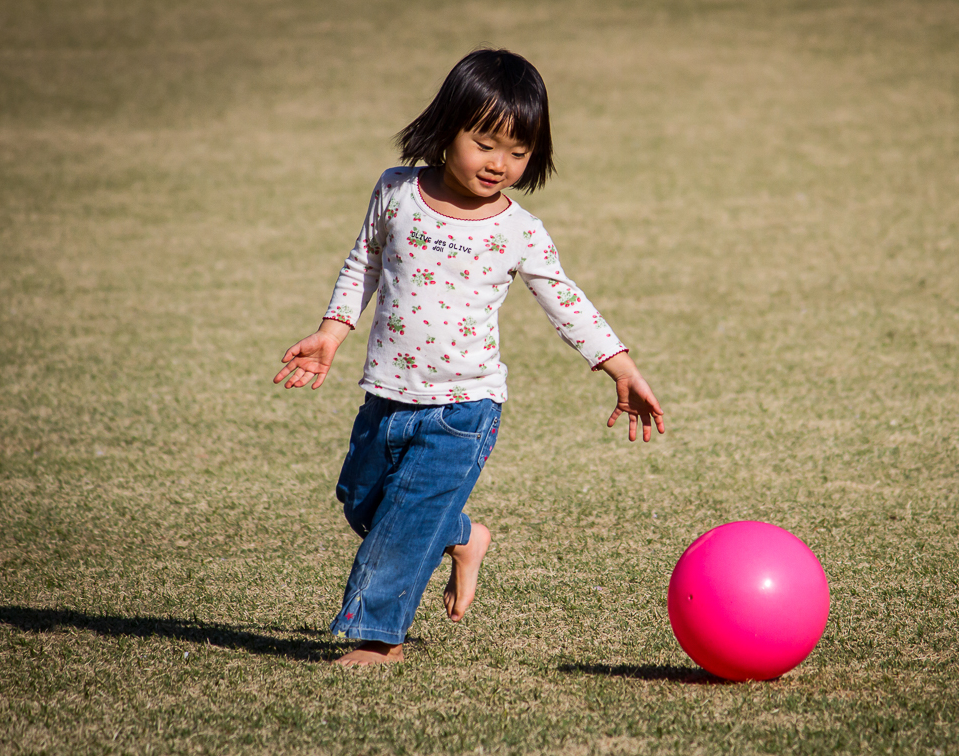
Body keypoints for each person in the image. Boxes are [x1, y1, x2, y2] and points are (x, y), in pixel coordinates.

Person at [273, 49, 665, 666]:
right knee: (362, 501)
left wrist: (622, 367)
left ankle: (380, 639)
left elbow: (567, 303)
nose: (499, 163)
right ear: (446, 127)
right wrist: (331, 331)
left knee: (406, 526)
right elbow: (364, 261)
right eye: (484, 143)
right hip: (387, 394)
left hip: (463, 409)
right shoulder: (397, 190)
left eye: (518, 151)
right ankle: (464, 536)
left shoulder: (519, 230)